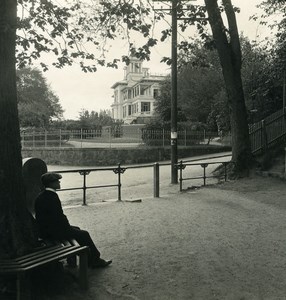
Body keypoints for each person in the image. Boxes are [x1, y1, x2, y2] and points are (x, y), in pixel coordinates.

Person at [34, 172, 112, 268]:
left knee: (77, 229)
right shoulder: (52, 197)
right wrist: (67, 227)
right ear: (51, 183)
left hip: (45, 230)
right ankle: (95, 260)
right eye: (57, 181)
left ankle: (80, 259)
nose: (59, 183)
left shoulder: (41, 196)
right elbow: (59, 217)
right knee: (84, 234)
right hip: (53, 232)